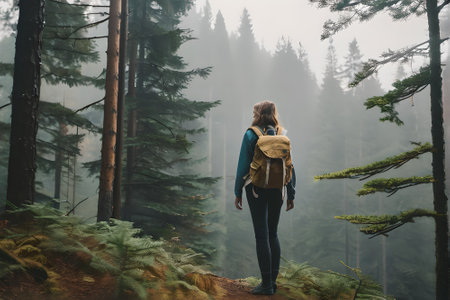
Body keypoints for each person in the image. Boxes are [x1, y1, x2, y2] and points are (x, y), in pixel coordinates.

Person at [234, 100, 296, 295]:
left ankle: (266, 284)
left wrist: (238, 192)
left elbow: (243, 165)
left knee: (261, 234)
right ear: (273, 113)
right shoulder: (282, 134)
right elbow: (291, 166)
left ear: (257, 114)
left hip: (255, 188)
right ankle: (273, 283)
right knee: (273, 233)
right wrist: (291, 193)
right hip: (278, 189)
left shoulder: (251, 134)